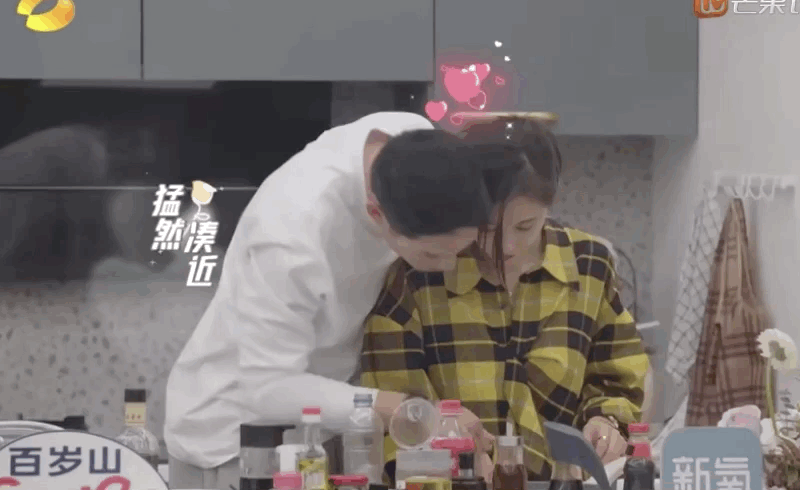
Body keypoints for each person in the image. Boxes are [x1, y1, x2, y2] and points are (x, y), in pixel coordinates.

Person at [164, 112, 497, 489]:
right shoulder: (291, 235)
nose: (448, 266)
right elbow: (265, 389)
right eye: (433, 255)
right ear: (376, 213)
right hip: (232, 441)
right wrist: (410, 413)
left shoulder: (414, 143)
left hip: (322, 427)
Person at [360, 113, 650, 481]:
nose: (508, 246)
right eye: (486, 229)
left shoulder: (588, 264)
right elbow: (393, 417)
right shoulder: (419, 275)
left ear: (551, 203)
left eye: (526, 226)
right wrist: (449, 457)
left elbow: (618, 373)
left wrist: (606, 420)